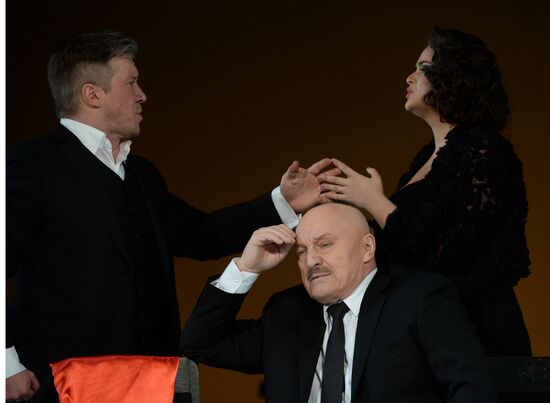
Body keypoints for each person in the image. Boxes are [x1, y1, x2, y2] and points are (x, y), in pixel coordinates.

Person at [6, 30, 336, 402]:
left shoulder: (143, 175)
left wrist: (283, 201)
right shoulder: (30, 166)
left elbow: (204, 234)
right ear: (92, 94)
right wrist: (5, 364)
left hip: (155, 385)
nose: (142, 94)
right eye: (131, 82)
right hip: (59, 387)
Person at [319, 27, 531, 356]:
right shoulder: (428, 157)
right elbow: (407, 246)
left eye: (423, 68)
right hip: (432, 332)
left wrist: (375, 202)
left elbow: (443, 254)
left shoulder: (484, 152)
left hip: (476, 338)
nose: (410, 77)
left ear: (455, 79)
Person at [180, 203, 498, 402]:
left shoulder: (419, 297)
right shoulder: (286, 312)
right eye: (302, 251)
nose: (311, 261)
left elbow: (473, 389)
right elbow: (200, 344)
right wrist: (246, 268)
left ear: (367, 248)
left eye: (325, 244)